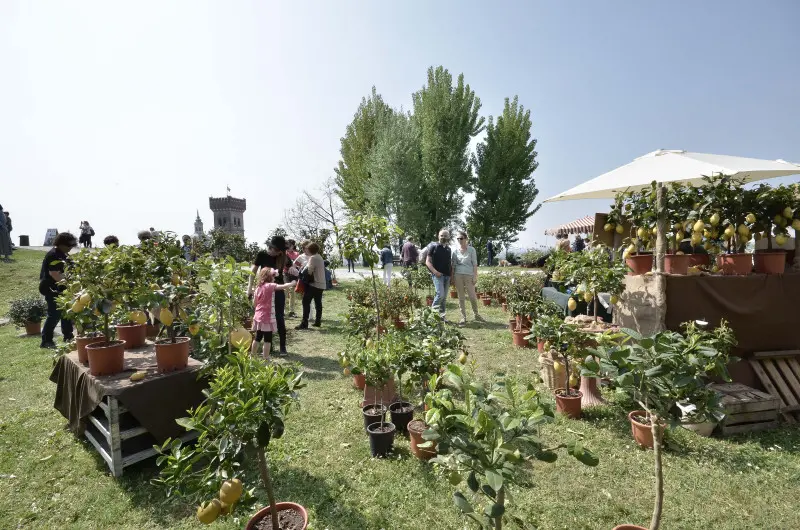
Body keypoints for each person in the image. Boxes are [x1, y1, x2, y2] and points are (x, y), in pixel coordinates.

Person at [249, 236, 291, 355]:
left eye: (280, 251)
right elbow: (252, 272)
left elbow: (291, 266)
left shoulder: (282, 256)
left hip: (278, 290)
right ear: (271, 248)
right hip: (265, 291)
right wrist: (250, 289)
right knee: (265, 318)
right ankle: (268, 346)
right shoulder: (262, 255)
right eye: (277, 250)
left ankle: (283, 347)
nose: (279, 253)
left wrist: (293, 272)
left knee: (279, 317)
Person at [39, 232, 77, 348]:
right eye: (69, 245)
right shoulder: (53, 255)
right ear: (60, 244)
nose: (71, 248)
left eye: (73, 245)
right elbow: (54, 273)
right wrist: (69, 285)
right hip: (52, 289)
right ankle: (46, 341)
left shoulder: (63, 255)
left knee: (66, 313)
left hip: (62, 289)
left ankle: (68, 336)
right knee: (54, 314)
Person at [250, 267, 296, 359]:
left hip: (258, 316)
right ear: (269, 277)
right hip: (267, 317)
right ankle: (266, 357)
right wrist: (293, 283)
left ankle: (252, 355)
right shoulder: (270, 286)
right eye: (273, 276)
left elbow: (254, 303)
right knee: (267, 339)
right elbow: (284, 286)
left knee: (258, 337)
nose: (274, 278)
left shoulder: (258, 287)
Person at [451, 231, 484, 326]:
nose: (459, 240)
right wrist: (452, 277)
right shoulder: (455, 251)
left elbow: (475, 264)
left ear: (466, 239)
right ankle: (463, 317)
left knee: (472, 296)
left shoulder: (472, 250)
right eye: (457, 239)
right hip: (458, 275)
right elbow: (453, 265)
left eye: (461, 238)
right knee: (461, 297)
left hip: (469, 275)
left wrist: (475, 276)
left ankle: (476, 314)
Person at [296, 242, 326, 329]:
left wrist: (302, 269)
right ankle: (318, 321)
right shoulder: (319, 256)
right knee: (318, 303)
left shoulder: (312, 258)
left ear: (310, 250)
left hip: (314, 284)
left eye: (307, 249)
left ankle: (304, 323)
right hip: (321, 284)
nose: (306, 251)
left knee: (305, 301)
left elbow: (309, 271)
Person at [425, 229, 453, 318]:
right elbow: (427, 261)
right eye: (441, 235)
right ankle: (433, 318)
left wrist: (451, 276)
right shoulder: (433, 246)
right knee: (440, 294)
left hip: (447, 276)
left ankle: (442, 317)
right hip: (437, 275)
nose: (443, 237)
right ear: (438, 236)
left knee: (444, 298)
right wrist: (435, 272)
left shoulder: (449, 249)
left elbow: (450, 264)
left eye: (445, 235)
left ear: (448, 237)